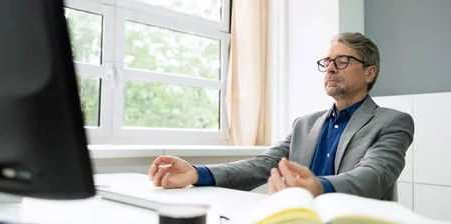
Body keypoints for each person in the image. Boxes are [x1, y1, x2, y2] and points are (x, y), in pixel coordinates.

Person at [148, 32, 414, 201]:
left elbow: (373, 176)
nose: (330, 68)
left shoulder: (392, 122)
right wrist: (197, 173)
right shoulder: (305, 124)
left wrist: (318, 187)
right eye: (327, 62)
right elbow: (262, 166)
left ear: (369, 73)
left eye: (342, 61)